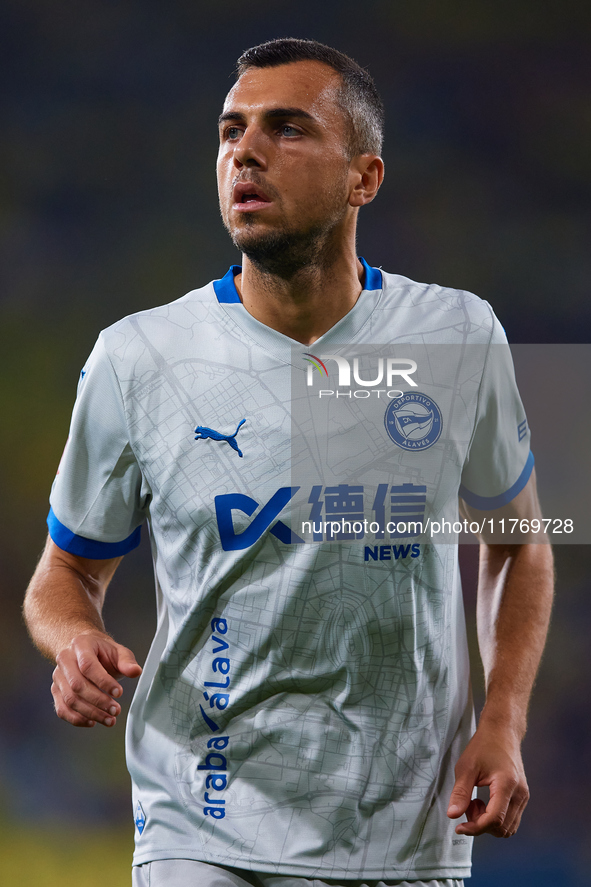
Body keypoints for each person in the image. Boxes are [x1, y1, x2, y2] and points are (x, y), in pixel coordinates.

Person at [23, 38, 554, 887]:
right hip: (201, 815)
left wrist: (503, 720)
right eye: (232, 130)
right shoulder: (137, 355)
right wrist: (75, 641)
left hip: (406, 825)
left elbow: (522, 541)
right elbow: (63, 572)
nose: (246, 150)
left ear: (363, 178)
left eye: (287, 128)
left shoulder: (462, 332)